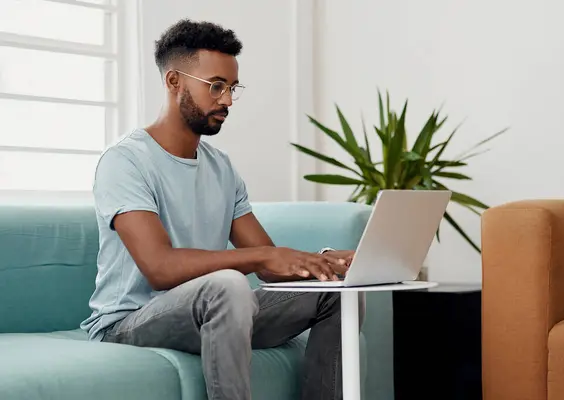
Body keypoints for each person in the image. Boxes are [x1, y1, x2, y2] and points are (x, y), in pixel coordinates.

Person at [81, 19, 364, 400]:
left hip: (217, 306)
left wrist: (324, 263)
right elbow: (160, 268)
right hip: (129, 321)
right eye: (215, 86)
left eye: (232, 88)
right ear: (174, 82)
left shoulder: (221, 167)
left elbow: (268, 266)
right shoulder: (125, 161)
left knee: (338, 292)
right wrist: (261, 256)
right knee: (230, 285)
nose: (227, 100)